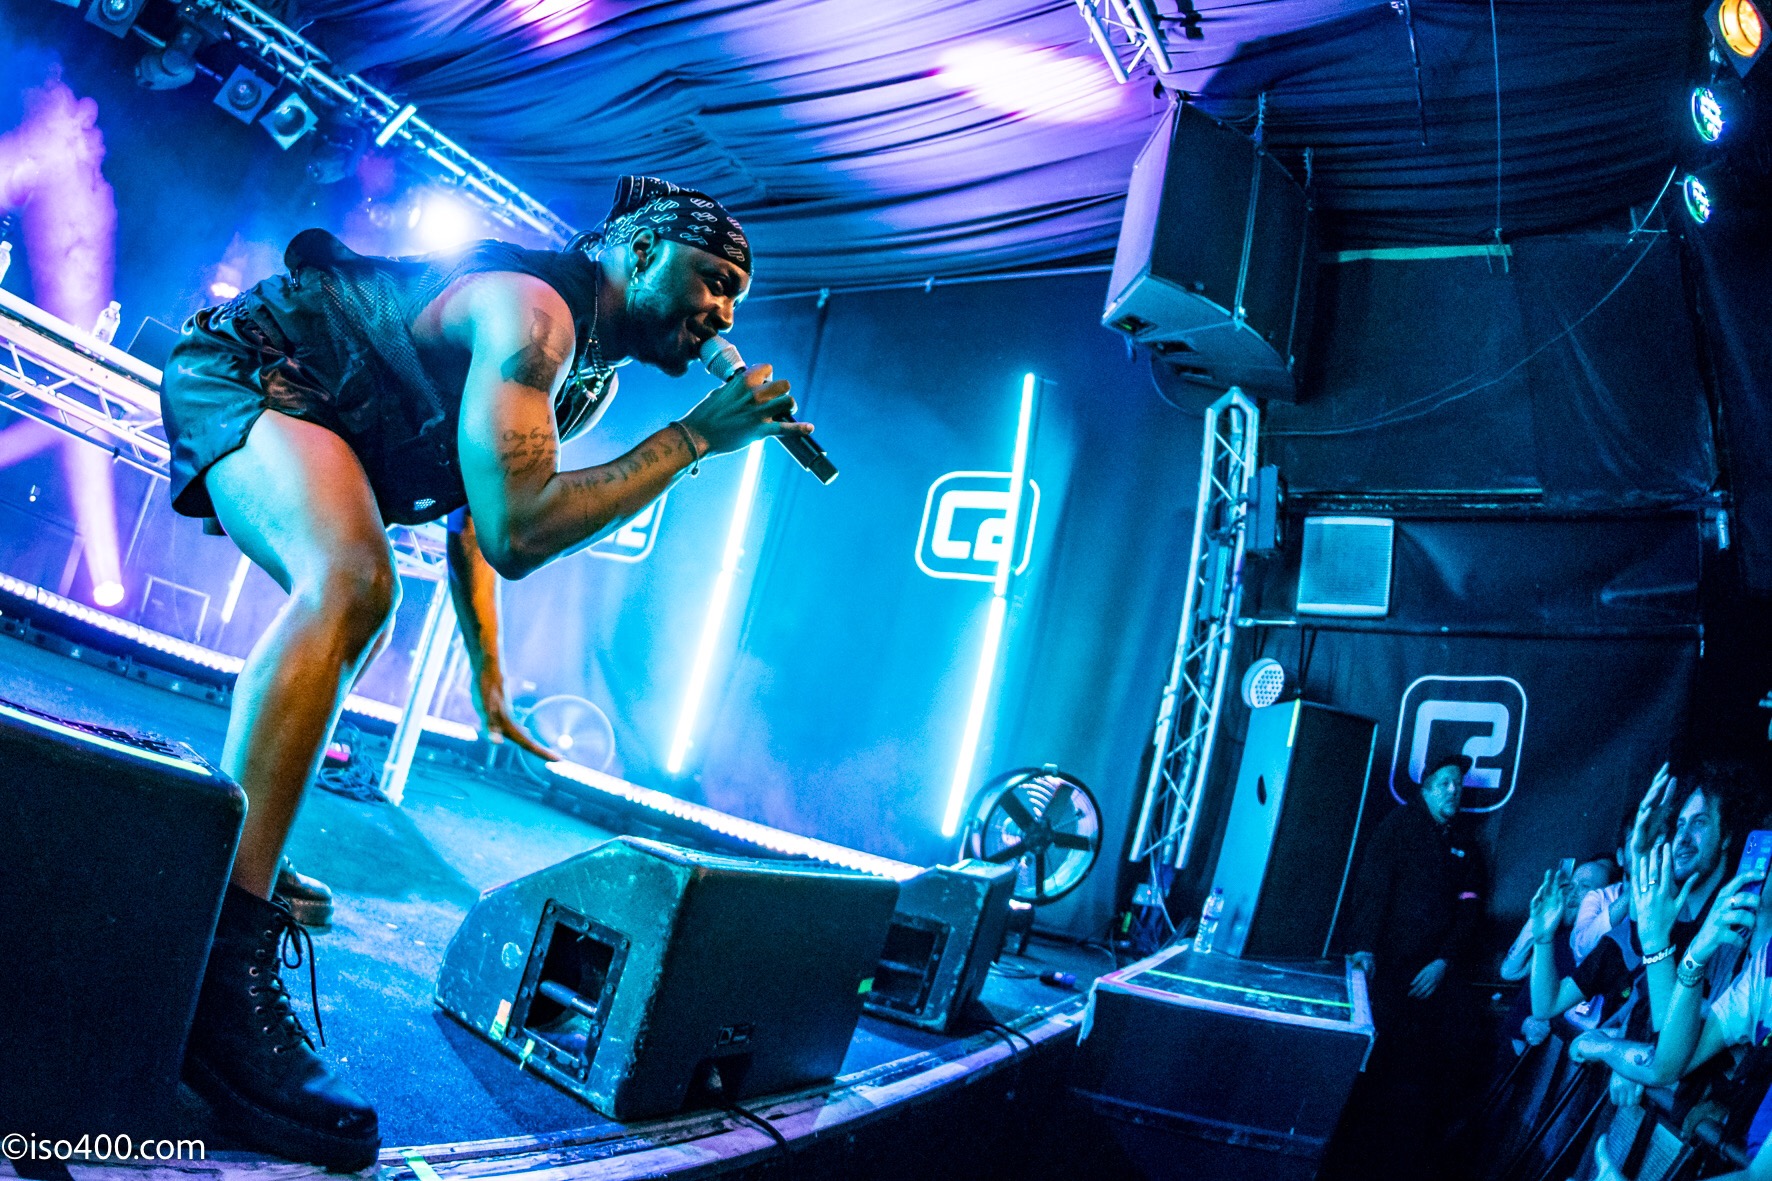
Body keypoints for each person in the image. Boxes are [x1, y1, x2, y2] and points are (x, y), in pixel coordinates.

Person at [156, 176, 804, 1168]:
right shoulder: (536, 315)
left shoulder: (585, 378)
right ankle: (220, 964)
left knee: (359, 591)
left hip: (336, 417)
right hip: (257, 367)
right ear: (636, 251)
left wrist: (489, 687)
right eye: (713, 278)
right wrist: (694, 439)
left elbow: (472, 516)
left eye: (738, 298)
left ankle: (229, 859)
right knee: (352, 583)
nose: (722, 312)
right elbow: (518, 529)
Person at [1329, 753, 1484, 1175]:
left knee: (1419, 1078)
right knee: (1373, 1070)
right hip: (1388, 973)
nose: (1454, 790)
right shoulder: (1398, 827)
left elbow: (1469, 911)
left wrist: (1443, 961)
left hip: (1433, 978)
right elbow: (1372, 889)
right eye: (1446, 782)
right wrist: (1364, 948)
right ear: (1427, 786)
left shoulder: (1464, 843)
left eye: (1458, 784)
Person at [1529, 768, 1740, 1037]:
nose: (1684, 837)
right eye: (1680, 825)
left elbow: (1672, 1044)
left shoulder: (1731, 928)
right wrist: (1543, 939)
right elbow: (1546, 1005)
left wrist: (1608, 1048)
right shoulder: (1632, 934)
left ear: (1727, 835)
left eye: (1700, 822)